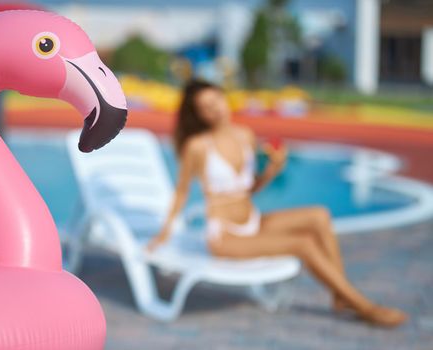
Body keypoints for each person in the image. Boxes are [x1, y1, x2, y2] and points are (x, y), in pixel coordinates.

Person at [147, 80, 407, 327]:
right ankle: (363, 306)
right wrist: (165, 233)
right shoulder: (198, 146)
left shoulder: (245, 136)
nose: (216, 109)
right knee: (302, 243)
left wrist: (272, 170)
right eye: (206, 107)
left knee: (319, 215)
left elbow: (248, 189)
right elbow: (181, 192)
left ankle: (339, 297)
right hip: (224, 236)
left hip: (253, 220)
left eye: (217, 99)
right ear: (199, 115)